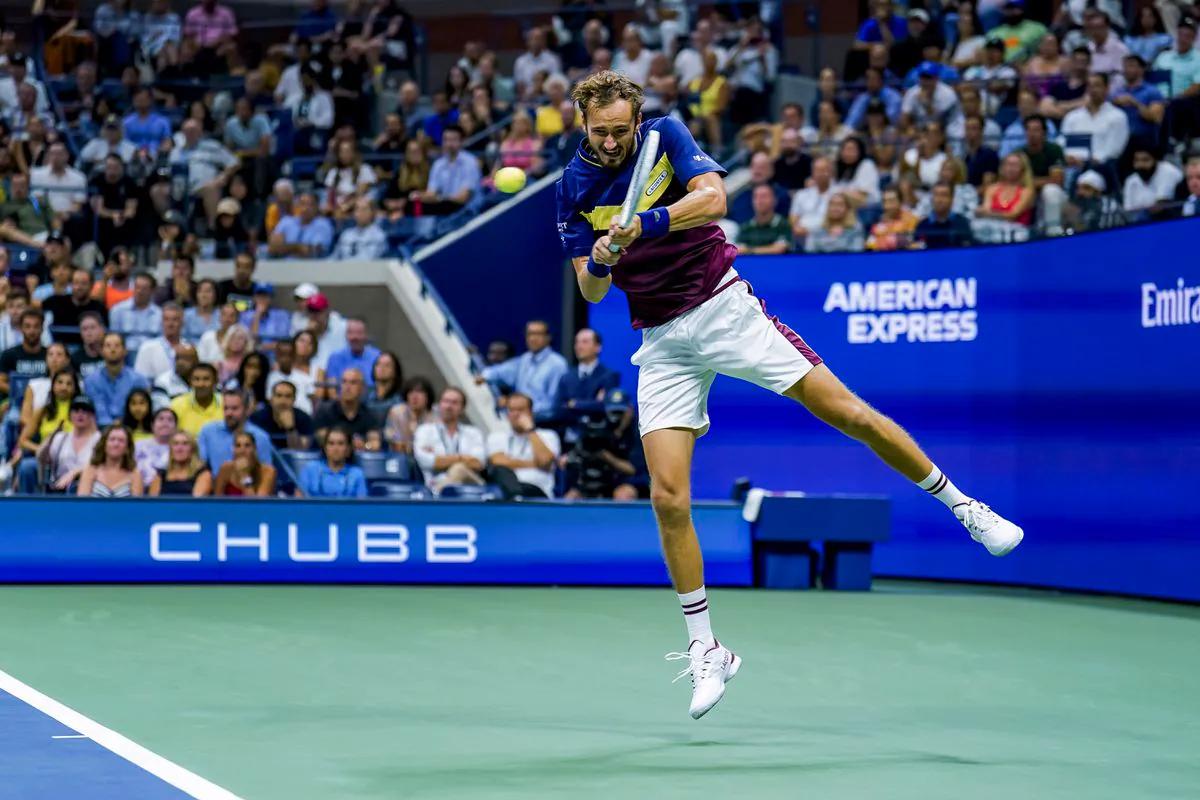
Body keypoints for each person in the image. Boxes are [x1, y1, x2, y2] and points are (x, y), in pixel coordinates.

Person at [557, 71, 1023, 719]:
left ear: (635, 121)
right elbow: (591, 292)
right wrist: (605, 255)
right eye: (599, 132)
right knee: (667, 497)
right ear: (583, 125)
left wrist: (651, 221)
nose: (610, 142)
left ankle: (965, 506)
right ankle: (706, 649)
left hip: (723, 309)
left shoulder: (664, 135)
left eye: (619, 130)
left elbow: (715, 199)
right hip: (661, 340)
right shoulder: (572, 187)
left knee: (847, 412)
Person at [477, 319, 568, 416]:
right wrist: (484, 376)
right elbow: (500, 371)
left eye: (537, 334)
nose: (532, 338)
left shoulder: (557, 364)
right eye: (529, 334)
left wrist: (517, 407)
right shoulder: (524, 359)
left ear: (548, 337)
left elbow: (553, 404)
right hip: (517, 417)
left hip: (543, 422)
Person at [486, 391, 560, 499]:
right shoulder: (497, 436)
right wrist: (534, 464)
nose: (516, 414)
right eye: (511, 410)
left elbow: (544, 461)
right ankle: (516, 497)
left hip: (538, 491)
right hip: (504, 492)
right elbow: (499, 464)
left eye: (520, 410)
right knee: (500, 472)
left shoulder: (548, 435)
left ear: (531, 412)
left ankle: (517, 497)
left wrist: (530, 430)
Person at [413, 386, 486, 492]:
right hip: (433, 483)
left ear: (462, 409)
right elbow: (424, 461)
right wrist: (462, 458)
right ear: (439, 404)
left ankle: (437, 496)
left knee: (459, 469)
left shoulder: (473, 433)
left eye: (454, 403)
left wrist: (440, 459)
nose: (448, 406)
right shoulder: (424, 430)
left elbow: (479, 463)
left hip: (470, 486)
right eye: (445, 401)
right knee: (458, 467)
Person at [196, 387, 272, 474]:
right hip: (215, 485)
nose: (229, 413)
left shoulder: (260, 437)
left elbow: (266, 473)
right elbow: (200, 465)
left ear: (247, 410)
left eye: (234, 408)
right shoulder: (208, 431)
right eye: (226, 408)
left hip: (248, 485)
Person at [34, 395, 101, 493]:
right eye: (76, 410)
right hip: (59, 488)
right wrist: (51, 436)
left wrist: (75, 473)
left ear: (92, 416)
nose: (80, 414)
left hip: (89, 488)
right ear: (70, 415)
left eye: (85, 411)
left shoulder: (100, 440)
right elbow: (41, 458)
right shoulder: (61, 438)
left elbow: (102, 467)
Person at [82, 332, 148, 426]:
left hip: (131, 428)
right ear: (101, 351)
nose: (112, 349)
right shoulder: (91, 381)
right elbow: (96, 410)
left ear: (125, 350)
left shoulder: (139, 380)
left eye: (117, 346)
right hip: (98, 430)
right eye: (108, 346)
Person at [418, 126, 481, 216]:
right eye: (446, 140)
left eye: (453, 140)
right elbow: (431, 193)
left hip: (468, 213)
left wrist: (439, 199)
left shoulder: (471, 162)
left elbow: (463, 198)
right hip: (445, 210)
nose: (449, 144)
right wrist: (419, 196)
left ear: (461, 141)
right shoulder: (438, 164)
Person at [313, 368, 380, 450]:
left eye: (353, 382)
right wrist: (350, 442)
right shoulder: (325, 410)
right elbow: (320, 437)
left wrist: (365, 445)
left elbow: (375, 443)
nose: (347, 387)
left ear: (362, 388)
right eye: (344, 382)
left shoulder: (369, 414)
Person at [555, 329, 619, 409]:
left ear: (598, 347)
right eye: (577, 342)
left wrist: (574, 404)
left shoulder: (609, 376)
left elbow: (605, 406)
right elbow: (559, 408)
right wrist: (594, 403)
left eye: (585, 342)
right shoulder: (566, 378)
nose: (579, 346)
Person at [297, 426, 366, 497]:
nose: (335, 448)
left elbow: (363, 506)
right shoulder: (309, 469)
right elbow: (298, 503)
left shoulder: (357, 474)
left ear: (348, 449)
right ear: (325, 448)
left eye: (340, 443)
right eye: (331, 443)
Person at [43, 269, 107, 346]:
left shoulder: (99, 307)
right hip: (60, 349)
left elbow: (104, 332)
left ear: (91, 285)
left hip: (89, 349)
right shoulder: (56, 301)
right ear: (70, 285)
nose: (79, 287)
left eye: (83, 283)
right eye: (76, 283)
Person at [77, 424, 143, 497]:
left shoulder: (134, 473)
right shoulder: (91, 469)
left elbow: (137, 506)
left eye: (121, 441)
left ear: (127, 448)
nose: (116, 444)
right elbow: (82, 504)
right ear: (104, 444)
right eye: (112, 439)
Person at [250, 379, 314, 451]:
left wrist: (290, 429)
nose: (283, 401)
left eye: (288, 396)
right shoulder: (257, 418)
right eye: (279, 395)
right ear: (271, 399)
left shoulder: (304, 419)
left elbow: (300, 451)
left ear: (294, 399)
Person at [109, 271, 162, 353]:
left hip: (151, 354)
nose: (139, 291)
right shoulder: (118, 310)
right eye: (137, 287)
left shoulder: (160, 314)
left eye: (144, 289)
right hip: (125, 355)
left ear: (152, 291)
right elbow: (114, 338)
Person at [1122, 147, 1183, 217]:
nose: (1140, 165)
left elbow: (1161, 205)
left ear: (1155, 160)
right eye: (1137, 160)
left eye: (1145, 160)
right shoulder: (1131, 180)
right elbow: (1128, 212)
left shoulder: (1168, 171)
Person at [149, 429, 212, 496]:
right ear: (171, 449)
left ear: (192, 450)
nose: (179, 448)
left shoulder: (203, 474)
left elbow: (196, 504)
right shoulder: (160, 475)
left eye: (185, 444)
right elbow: (152, 504)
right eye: (175, 444)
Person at [384, 375, 436, 455]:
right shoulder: (396, 412)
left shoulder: (435, 415)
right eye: (411, 392)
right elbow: (392, 439)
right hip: (401, 457)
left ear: (428, 396)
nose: (414, 396)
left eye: (420, 392)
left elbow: (435, 445)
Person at [214, 430, 276, 496]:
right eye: (238, 446)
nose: (242, 450)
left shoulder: (268, 471)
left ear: (254, 449)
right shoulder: (226, 469)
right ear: (233, 450)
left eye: (247, 446)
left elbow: (257, 505)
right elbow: (216, 502)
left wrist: (244, 476)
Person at [735, 184, 793, 254]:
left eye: (764, 196)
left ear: (775, 200)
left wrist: (750, 250)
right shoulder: (746, 226)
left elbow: (780, 249)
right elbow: (739, 250)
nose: (759, 201)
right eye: (756, 197)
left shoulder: (783, 224)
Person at [915, 182, 974, 248]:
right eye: (936, 195)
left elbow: (969, 249)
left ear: (951, 199)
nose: (939, 200)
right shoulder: (923, 226)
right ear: (931, 199)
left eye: (944, 195)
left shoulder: (961, 223)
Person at [323, 318, 381, 386]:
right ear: (345, 335)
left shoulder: (377, 357)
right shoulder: (335, 358)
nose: (354, 337)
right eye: (350, 332)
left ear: (366, 335)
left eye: (359, 333)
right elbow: (332, 390)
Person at [267, 336, 316, 414]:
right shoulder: (270, 378)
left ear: (294, 355)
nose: (285, 358)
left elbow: (314, 402)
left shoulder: (306, 378)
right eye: (282, 354)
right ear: (276, 355)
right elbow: (270, 401)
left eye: (289, 354)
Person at [170, 362, 223, 436]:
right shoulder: (176, 405)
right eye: (196, 379)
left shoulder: (225, 404)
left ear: (215, 381)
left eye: (206, 379)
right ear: (190, 382)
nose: (201, 384)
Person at [134, 406, 177, 485]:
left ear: (175, 427)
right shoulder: (138, 446)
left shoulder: (179, 448)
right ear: (152, 425)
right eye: (161, 419)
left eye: (170, 420)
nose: (165, 423)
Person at [366, 350, 403, 418]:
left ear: (395, 371)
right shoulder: (365, 394)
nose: (382, 368)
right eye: (378, 364)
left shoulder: (400, 398)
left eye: (387, 365)